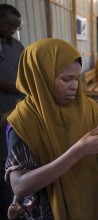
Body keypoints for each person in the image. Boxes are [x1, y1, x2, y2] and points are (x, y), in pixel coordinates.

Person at [4, 38, 98, 219]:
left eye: (77, 78)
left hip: (91, 203)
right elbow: (20, 185)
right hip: (50, 209)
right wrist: (78, 151)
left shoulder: (86, 106)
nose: (75, 86)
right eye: (66, 79)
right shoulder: (24, 121)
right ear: (40, 78)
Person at [0, 4, 24, 219]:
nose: (13, 30)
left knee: (15, 164)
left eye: (16, 26)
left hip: (17, 116)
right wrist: (5, 85)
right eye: (9, 24)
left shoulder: (16, 46)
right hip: (5, 111)